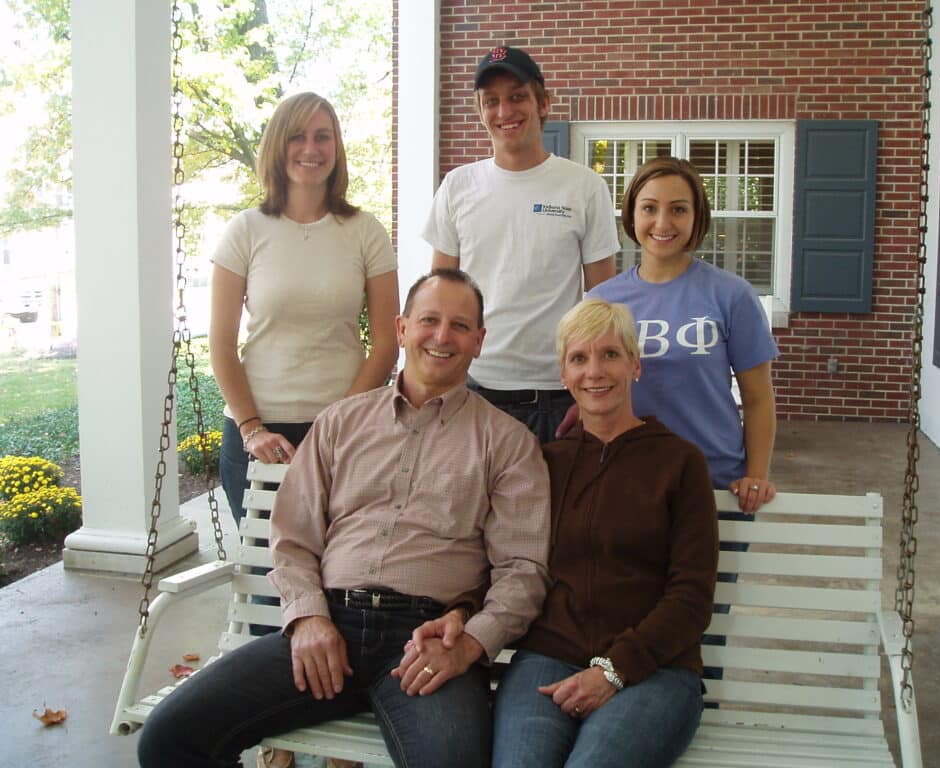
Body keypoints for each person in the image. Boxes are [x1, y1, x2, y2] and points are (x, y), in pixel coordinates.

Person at [138, 269, 551, 768]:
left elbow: (522, 571)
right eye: (429, 320)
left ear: (479, 341)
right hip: (328, 624)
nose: (443, 337)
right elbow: (293, 538)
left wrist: (468, 644)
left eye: (460, 326)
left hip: (427, 642)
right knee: (168, 738)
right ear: (400, 329)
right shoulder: (341, 422)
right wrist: (308, 616)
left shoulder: (507, 443)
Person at [394, 298, 717, 767]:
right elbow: (513, 564)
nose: (594, 371)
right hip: (548, 658)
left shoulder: (679, 463)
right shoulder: (545, 462)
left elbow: (691, 596)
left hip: (656, 669)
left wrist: (614, 669)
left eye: (610, 354)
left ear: (635, 365)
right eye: (578, 358)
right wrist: (463, 611)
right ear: (563, 376)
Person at [210, 91, 399, 530]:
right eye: (297, 136)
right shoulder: (245, 231)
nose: (311, 149)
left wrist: (338, 426)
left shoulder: (365, 232)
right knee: (266, 576)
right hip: (259, 437)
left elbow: (388, 341)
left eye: (322, 136)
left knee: (339, 572)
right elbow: (220, 342)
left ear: (337, 147)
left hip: (345, 432)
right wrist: (252, 428)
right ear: (278, 145)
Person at [423, 45, 620, 442]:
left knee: (555, 506)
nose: (504, 111)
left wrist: (590, 395)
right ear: (480, 111)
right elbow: (440, 296)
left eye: (517, 97)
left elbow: (602, 303)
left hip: (558, 397)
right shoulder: (458, 186)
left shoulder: (584, 187)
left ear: (543, 102)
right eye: (490, 101)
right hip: (474, 388)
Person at [589, 156, 779, 513]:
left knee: (709, 573)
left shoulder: (732, 295)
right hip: (627, 480)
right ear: (631, 215)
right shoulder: (601, 300)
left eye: (678, 209)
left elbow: (758, 399)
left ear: (696, 217)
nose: (663, 223)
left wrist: (757, 474)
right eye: (649, 208)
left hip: (716, 481)